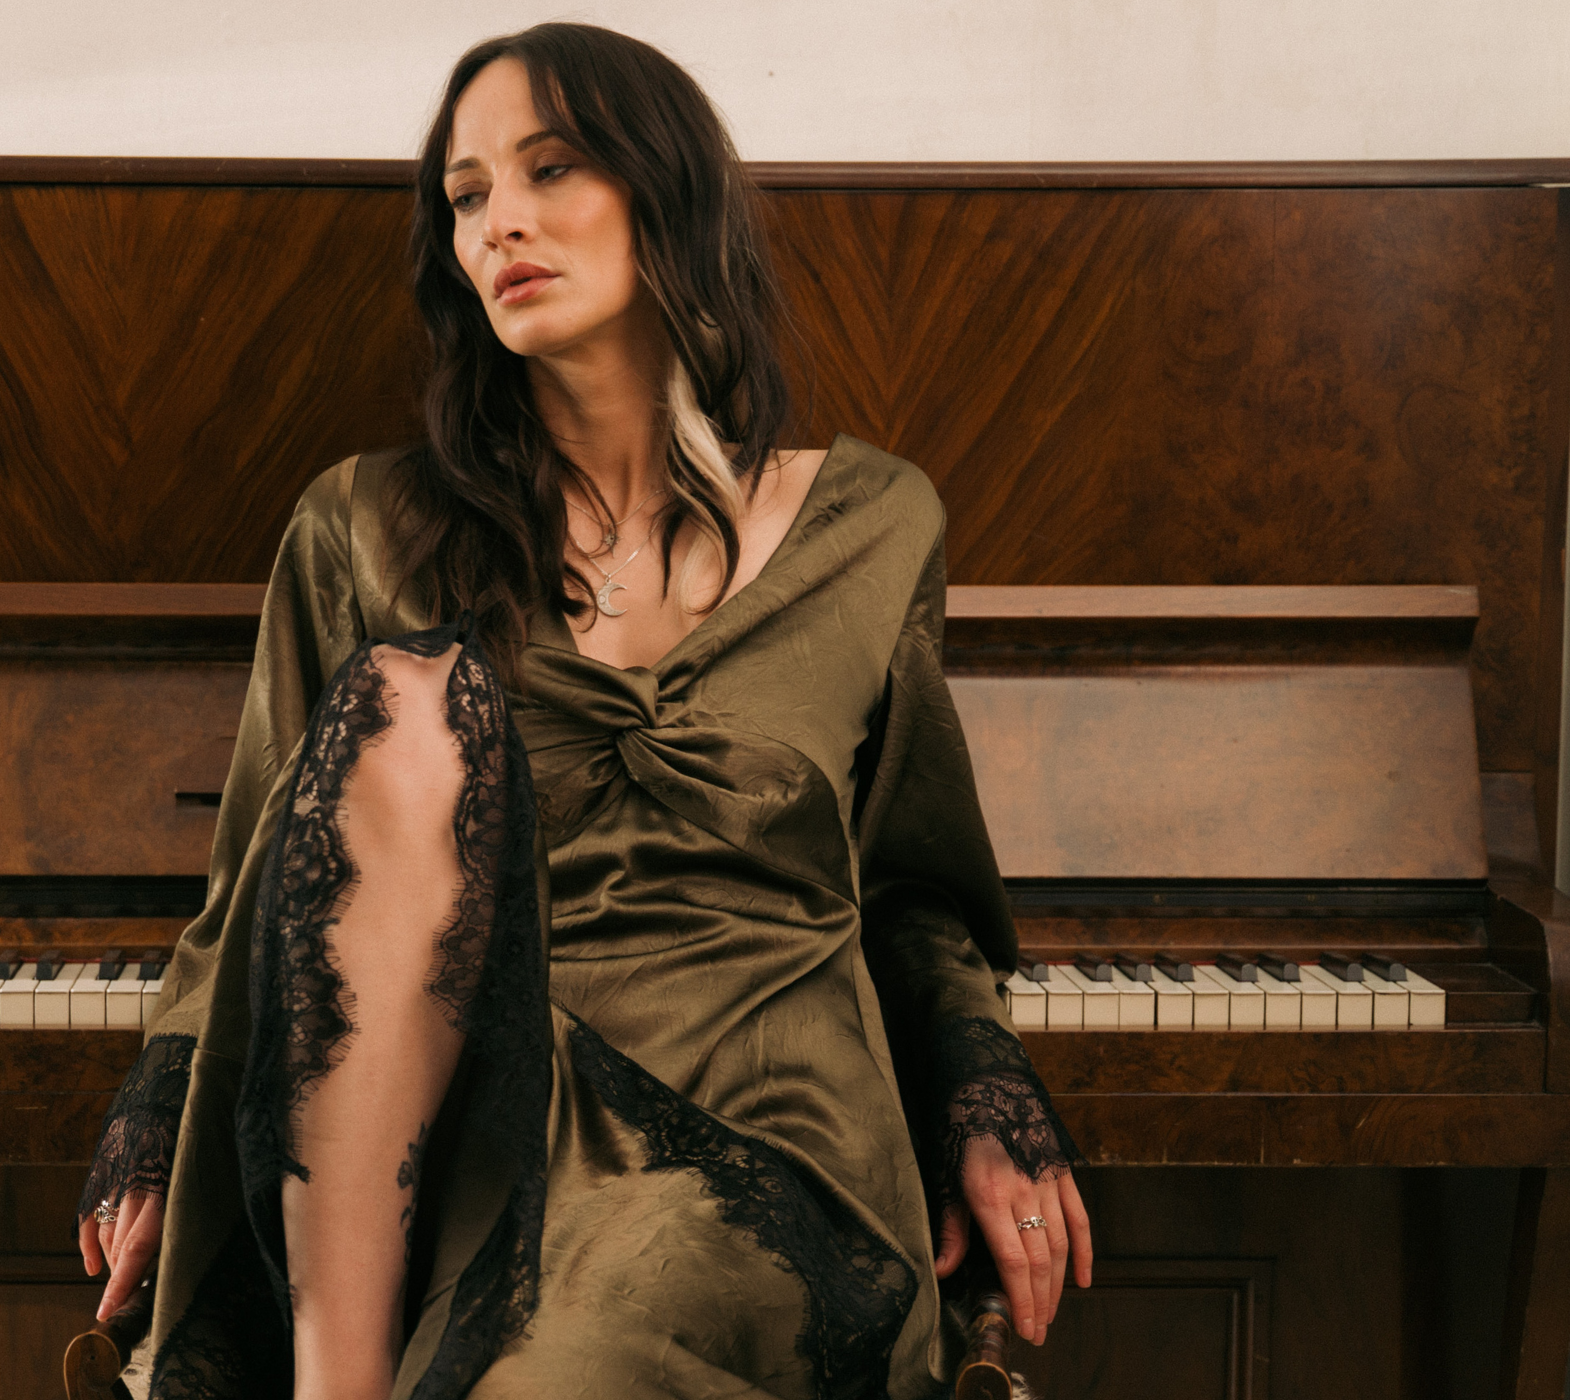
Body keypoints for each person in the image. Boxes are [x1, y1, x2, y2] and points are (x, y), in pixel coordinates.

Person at [77, 22, 1091, 1400]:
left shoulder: (873, 521)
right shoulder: (362, 527)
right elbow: (262, 892)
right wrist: (156, 1110)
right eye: (468, 195)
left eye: (550, 170)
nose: (501, 223)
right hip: (447, 1123)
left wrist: (985, 1089)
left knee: (555, 1369)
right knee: (406, 701)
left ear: (665, 189)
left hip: (759, 1123)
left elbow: (908, 884)